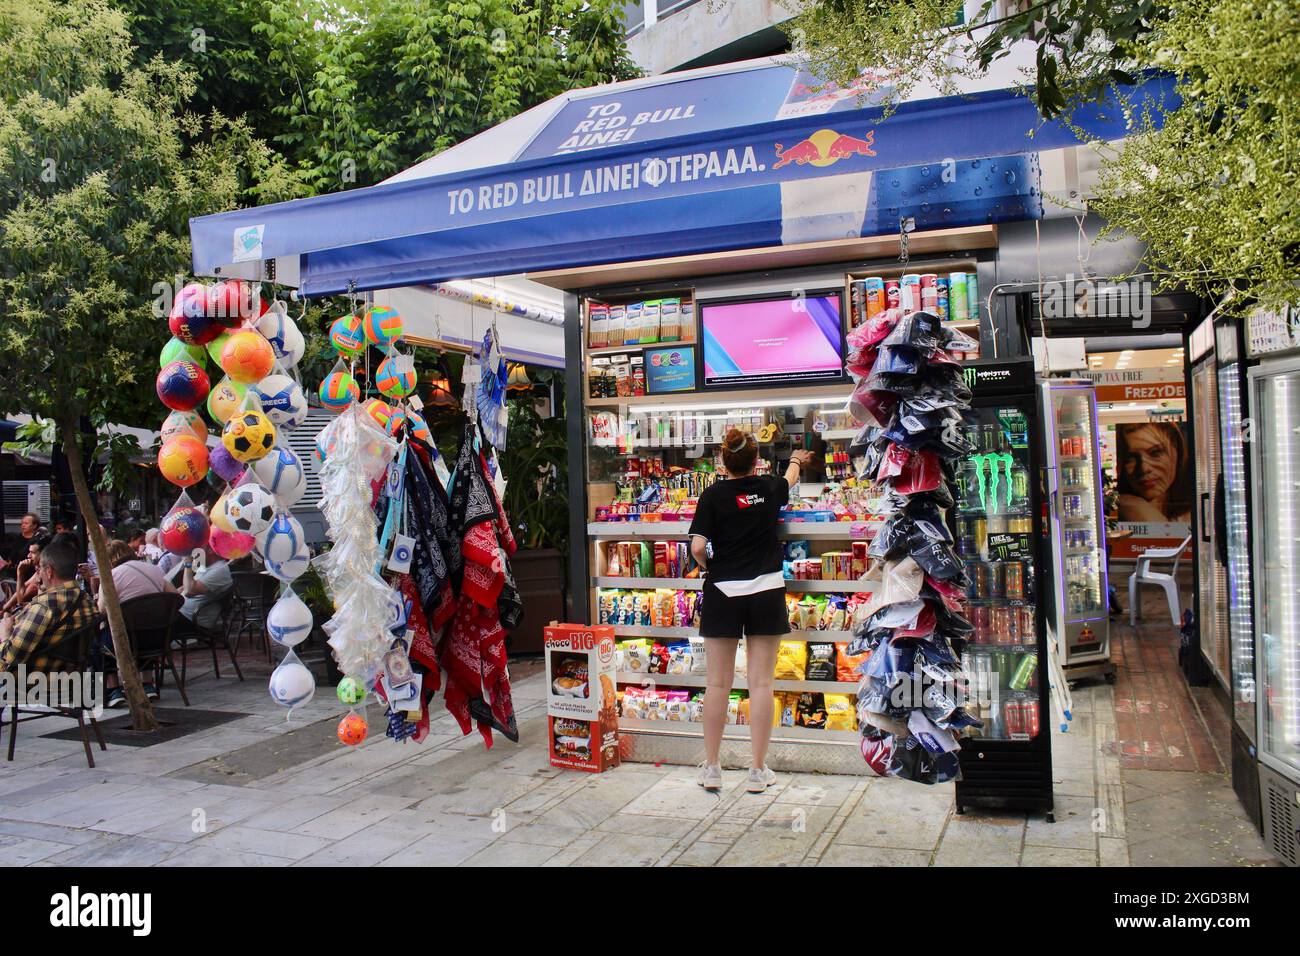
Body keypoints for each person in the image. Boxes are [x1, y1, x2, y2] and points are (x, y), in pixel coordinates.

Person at [688, 428, 813, 794]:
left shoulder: (712, 495)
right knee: (761, 683)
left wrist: (711, 567)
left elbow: (697, 546)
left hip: (724, 590)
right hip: (766, 590)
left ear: (722, 461)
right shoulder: (770, 487)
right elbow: (790, 479)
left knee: (717, 684)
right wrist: (794, 461)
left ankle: (712, 767)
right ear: (756, 461)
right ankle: (757, 771)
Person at [0, 540, 95, 675]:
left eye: (40, 569)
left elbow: (10, 657)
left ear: (49, 571)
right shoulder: (88, 601)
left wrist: (5, 632)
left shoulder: (44, 607)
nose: (39, 575)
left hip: (28, 687)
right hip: (71, 683)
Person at [98, 540, 174, 707]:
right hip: (158, 638)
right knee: (143, 625)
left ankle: (113, 690)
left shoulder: (111, 575)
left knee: (99, 640)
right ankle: (147, 685)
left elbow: (102, 610)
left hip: (127, 641)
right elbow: (174, 596)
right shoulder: (155, 569)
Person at [1117, 422, 1192, 523]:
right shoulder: (1126, 506)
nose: (1144, 468)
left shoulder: (1195, 511)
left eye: (1155, 453)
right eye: (1130, 458)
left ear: (1177, 451)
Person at [176, 543, 233, 634]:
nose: (194, 552)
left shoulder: (219, 570)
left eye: (197, 548)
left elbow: (189, 591)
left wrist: (188, 565)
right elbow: (187, 587)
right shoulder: (206, 566)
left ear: (210, 550)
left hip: (192, 619)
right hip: (184, 614)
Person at [1, 538, 48, 614]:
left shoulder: (44, 575)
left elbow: (21, 600)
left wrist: (20, 573)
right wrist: (5, 608)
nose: (28, 555)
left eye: (32, 553)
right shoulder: (38, 572)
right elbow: (21, 590)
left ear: (43, 554)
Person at [1, 512, 48, 578]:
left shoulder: (39, 540)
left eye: (26, 523)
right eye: (22, 523)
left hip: (31, 574)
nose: (23, 525)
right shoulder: (15, 538)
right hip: (14, 573)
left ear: (34, 525)